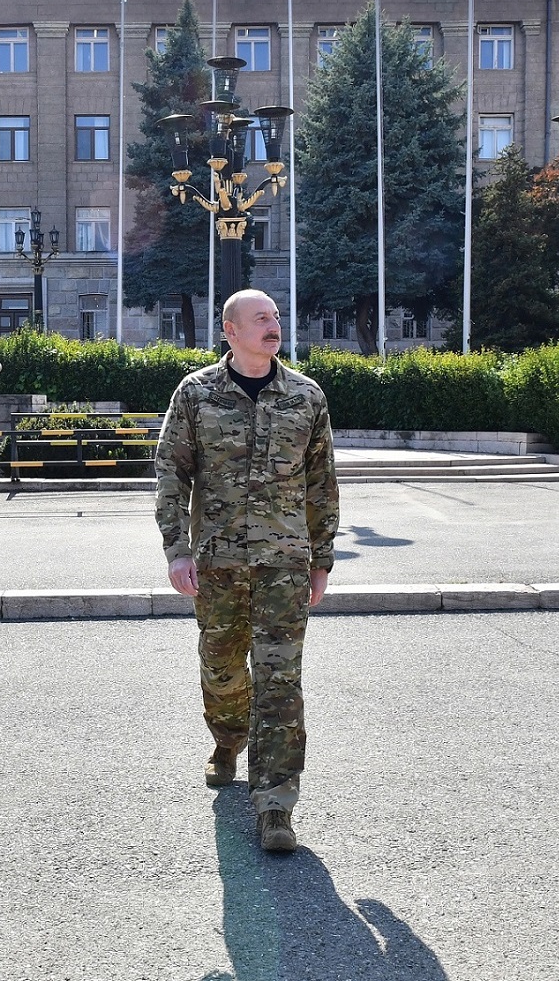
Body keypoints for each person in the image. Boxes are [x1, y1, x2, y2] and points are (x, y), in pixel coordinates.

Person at [154, 288, 339, 854]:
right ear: (230, 330)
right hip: (218, 564)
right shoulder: (196, 393)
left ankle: (276, 805)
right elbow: (171, 473)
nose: (273, 325)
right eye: (261, 318)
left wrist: (322, 557)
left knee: (281, 682)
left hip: (283, 565)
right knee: (223, 669)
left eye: (276, 317)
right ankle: (228, 739)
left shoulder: (307, 397)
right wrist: (177, 550)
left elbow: (321, 482)